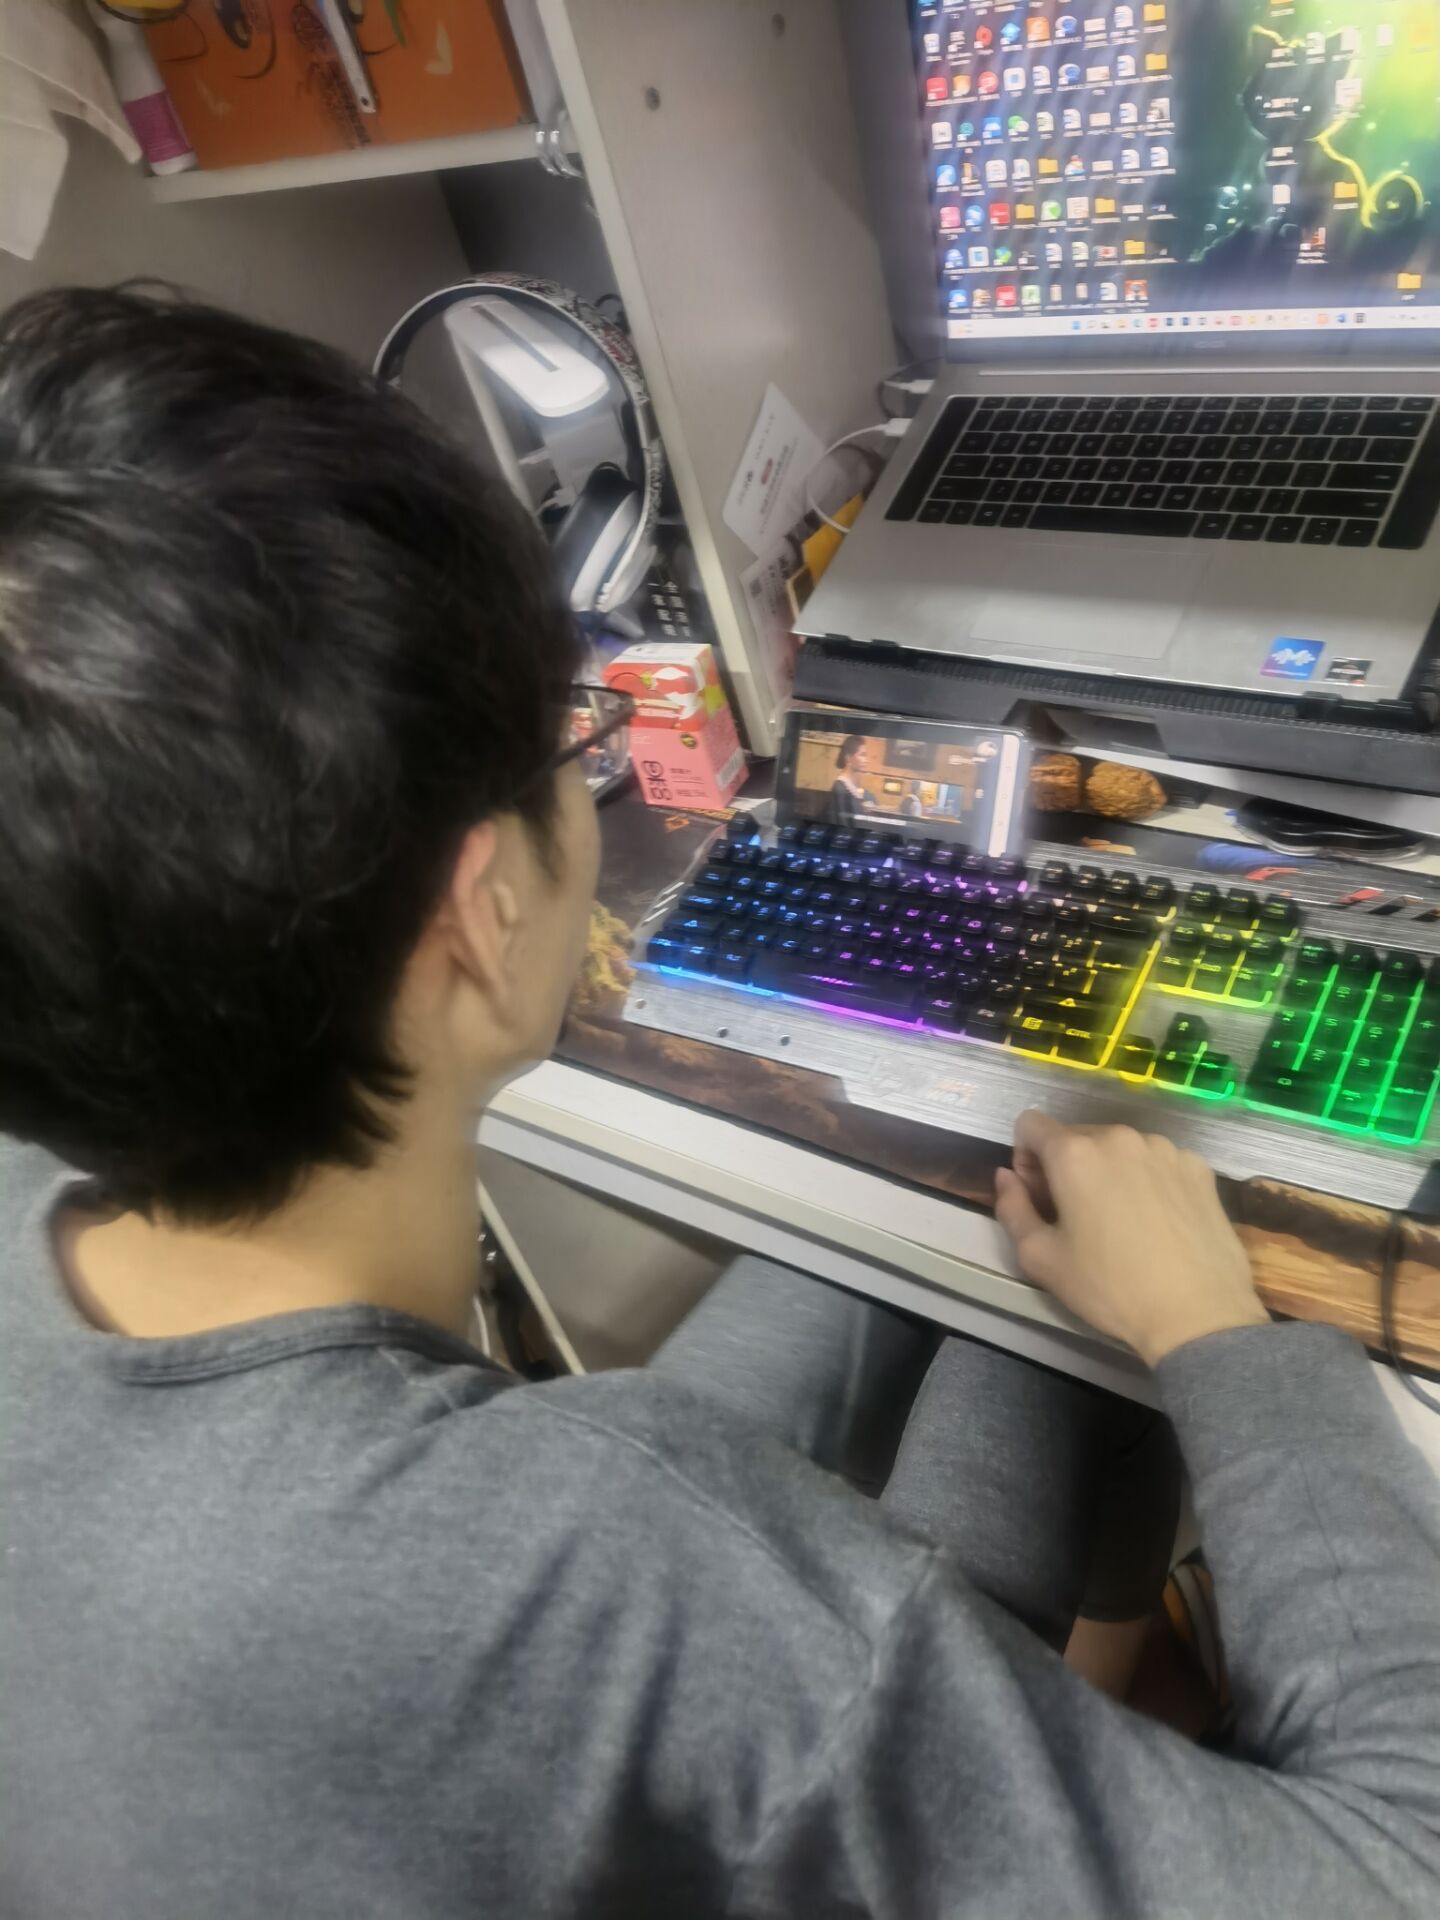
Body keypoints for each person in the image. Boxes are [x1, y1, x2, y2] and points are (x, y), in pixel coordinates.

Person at [2, 288, 1440, 1920]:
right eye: (575, 734)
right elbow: (1401, 1868)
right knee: (1078, 1324)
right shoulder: (630, 1569)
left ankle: (1092, 1712)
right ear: (481, 914)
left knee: (992, 1278)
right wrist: (1217, 1336)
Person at [826, 732, 874, 826]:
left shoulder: (851, 787)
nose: (866, 760)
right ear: (848, 758)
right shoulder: (840, 789)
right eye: (862, 755)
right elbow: (844, 823)